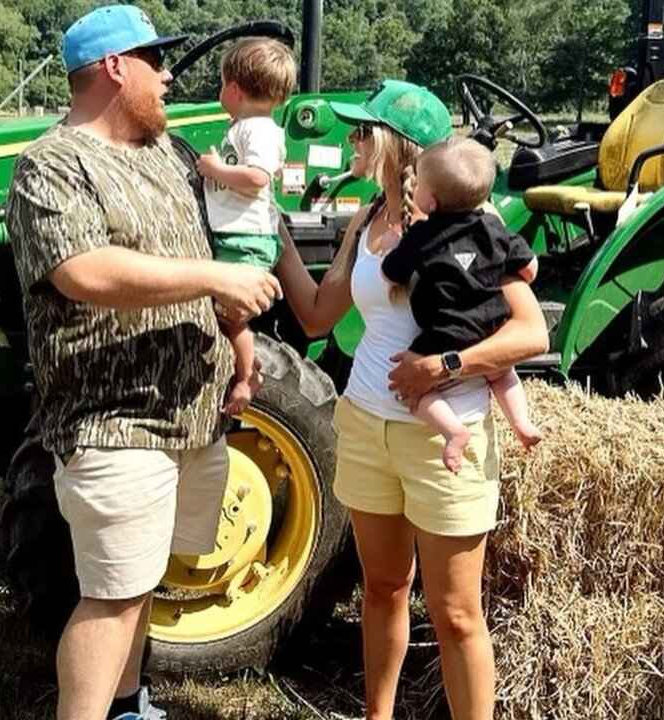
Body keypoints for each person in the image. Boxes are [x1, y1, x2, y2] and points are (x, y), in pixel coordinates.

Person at [4, 6, 282, 720]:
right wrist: (215, 278)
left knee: (142, 579)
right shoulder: (51, 165)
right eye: (154, 61)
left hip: (190, 414)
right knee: (112, 593)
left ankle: (129, 705)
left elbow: (237, 225)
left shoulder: (171, 153)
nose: (167, 76)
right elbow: (83, 271)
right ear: (113, 68)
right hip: (114, 419)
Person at [274, 80, 549, 720]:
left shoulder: (473, 224)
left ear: (399, 146)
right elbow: (317, 316)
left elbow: (531, 332)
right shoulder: (368, 219)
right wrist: (273, 233)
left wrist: (442, 366)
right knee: (383, 588)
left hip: (444, 437)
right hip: (367, 425)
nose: (352, 143)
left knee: (456, 613)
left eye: (363, 132)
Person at [381, 136, 545, 473]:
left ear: (430, 199)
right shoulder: (493, 228)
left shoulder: (422, 235)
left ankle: (453, 431)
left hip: (442, 335)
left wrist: (390, 249)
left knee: (411, 390)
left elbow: (391, 273)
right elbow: (529, 268)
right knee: (504, 375)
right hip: (491, 329)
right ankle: (522, 423)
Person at [195, 36, 296, 414]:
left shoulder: (259, 130)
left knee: (231, 319)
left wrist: (216, 169)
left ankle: (246, 380)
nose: (220, 92)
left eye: (221, 84)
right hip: (236, 236)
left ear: (234, 90)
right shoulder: (244, 127)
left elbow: (257, 178)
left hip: (246, 240)